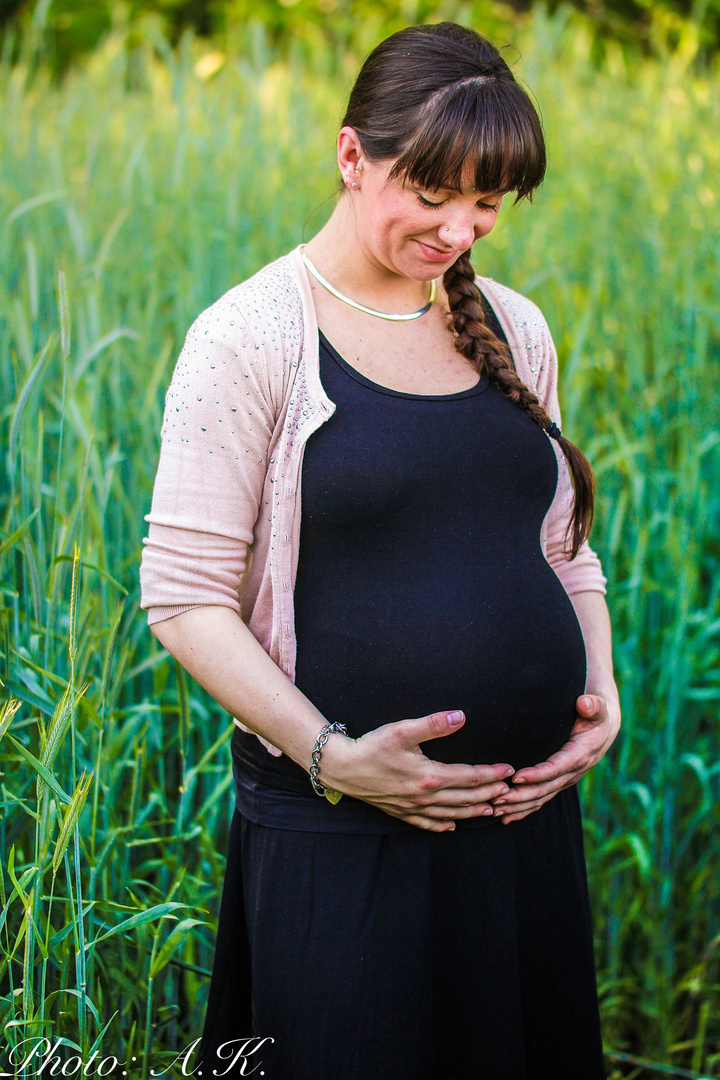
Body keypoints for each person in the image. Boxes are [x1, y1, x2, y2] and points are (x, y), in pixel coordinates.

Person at [139, 21, 620, 1080]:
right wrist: (333, 758)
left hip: (521, 833)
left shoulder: (515, 327)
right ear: (353, 157)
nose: (460, 228)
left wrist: (603, 687)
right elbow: (182, 598)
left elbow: (561, 549)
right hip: (343, 843)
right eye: (434, 192)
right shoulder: (249, 336)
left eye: (488, 202)